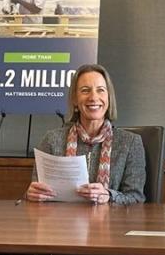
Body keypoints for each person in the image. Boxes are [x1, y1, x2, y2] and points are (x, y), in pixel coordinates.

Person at [26, 64, 146, 205]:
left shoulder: (130, 143)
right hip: (61, 223)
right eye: (85, 90)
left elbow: (136, 198)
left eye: (100, 90)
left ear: (108, 97)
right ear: (75, 99)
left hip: (110, 224)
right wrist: (32, 194)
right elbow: (36, 192)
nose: (93, 97)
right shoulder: (51, 140)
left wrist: (109, 195)